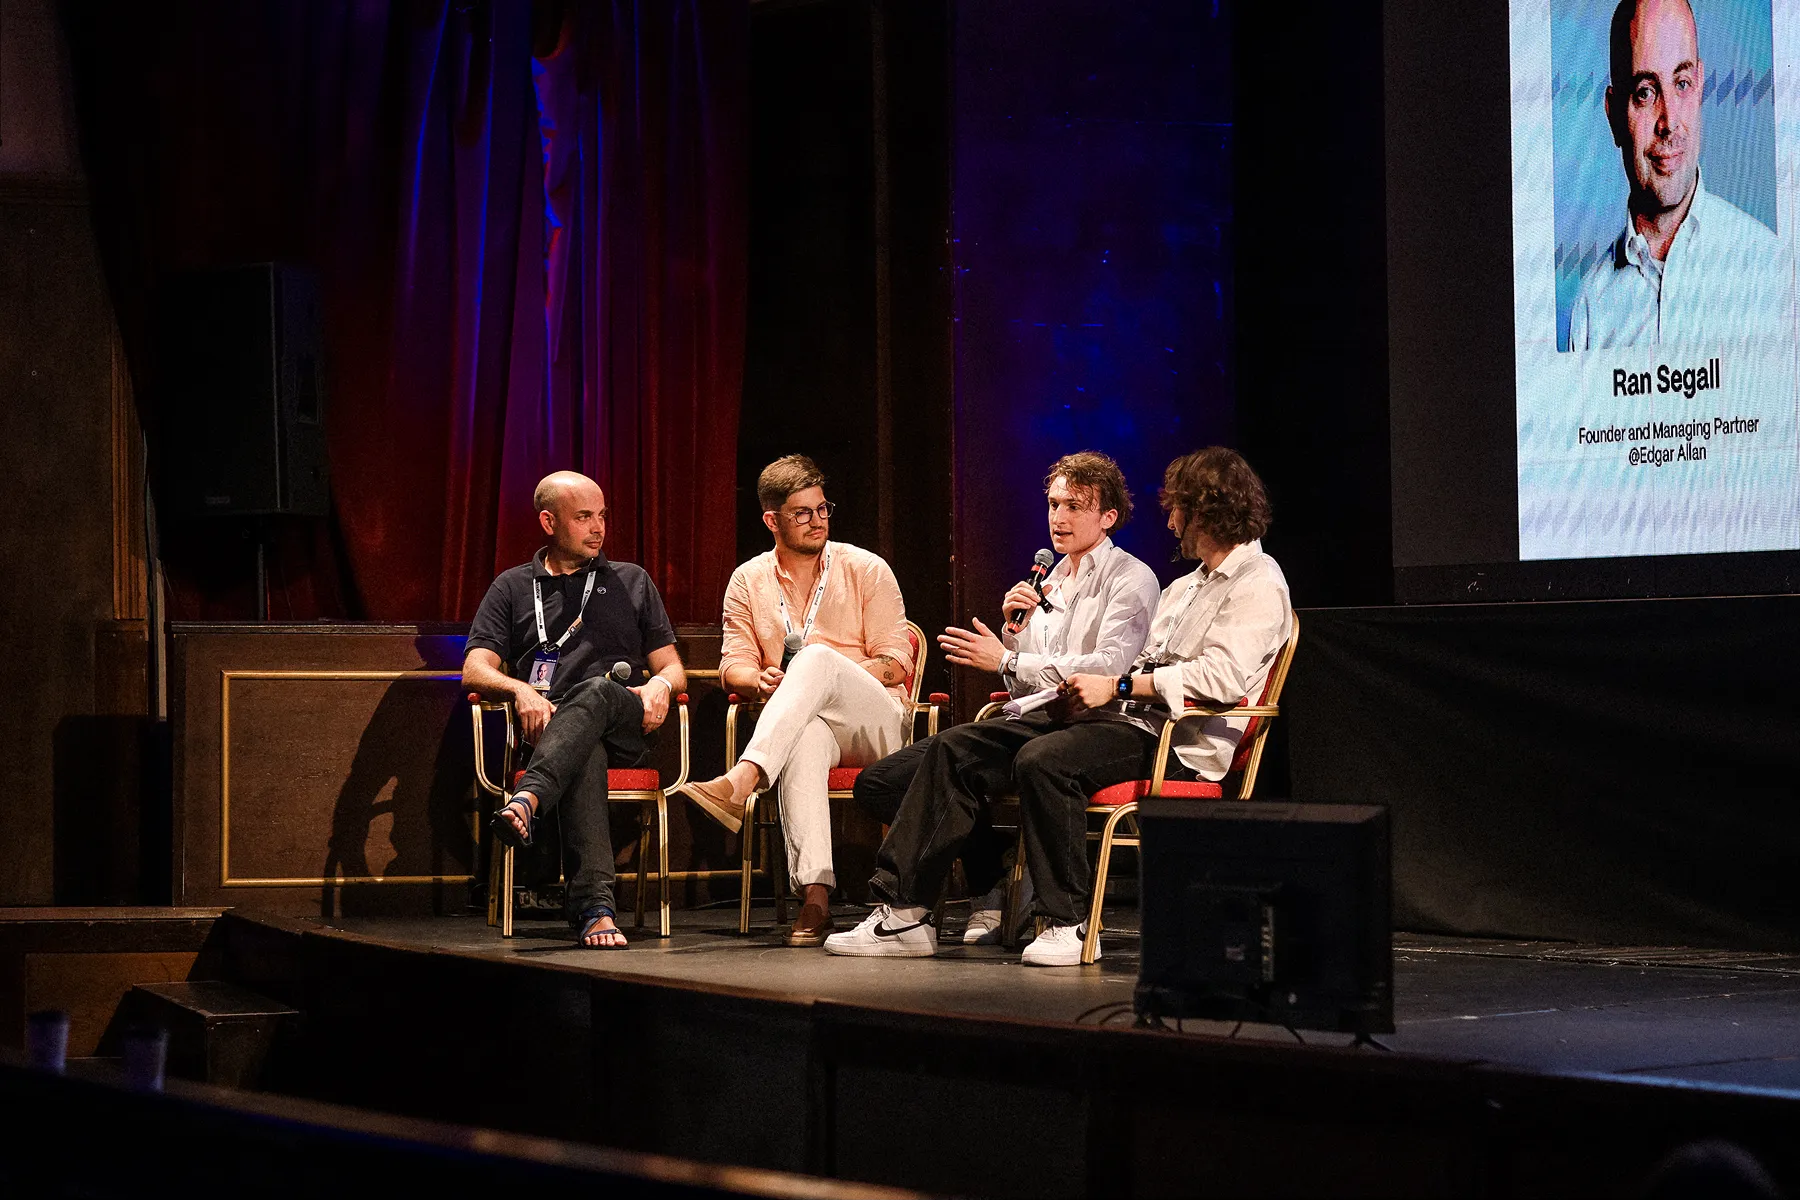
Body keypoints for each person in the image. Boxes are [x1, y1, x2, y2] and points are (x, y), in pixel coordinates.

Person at [827, 447, 1292, 966]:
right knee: (955, 749)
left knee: (1045, 760)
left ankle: (1064, 922)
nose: (1170, 520)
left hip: (1176, 741)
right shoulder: (1187, 586)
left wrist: (1112, 687)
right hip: (1116, 720)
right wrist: (1037, 664)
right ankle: (907, 914)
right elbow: (1141, 664)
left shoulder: (1259, 581)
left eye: (1178, 508)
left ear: (1207, 509)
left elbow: (1222, 678)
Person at [847, 451, 1160, 946]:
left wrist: (1007, 660)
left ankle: (908, 913)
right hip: (1043, 719)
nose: (1059, 517)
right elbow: (1028, 688)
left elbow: (1107, 670)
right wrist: (1017, 638)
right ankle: (990, 887)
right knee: (883, 782)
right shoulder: (1049, 580)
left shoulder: (1131, 579)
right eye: (1054, 504)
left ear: (1108, 517)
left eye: (1075, 506)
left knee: (988, 759)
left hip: (1101, 724)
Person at [676, 455, 914, 947]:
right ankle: (815, 898)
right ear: (772, 520)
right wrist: (758, 679)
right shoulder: (748, 579)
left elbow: (897, 662)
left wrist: (827, 674)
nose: (818, 520)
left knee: (816, 659)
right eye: (803, 513)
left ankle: (743, 779)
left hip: (876, 721)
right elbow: (732, 666)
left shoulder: (865, 568)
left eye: (823, 508)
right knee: (803, 735)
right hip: (802, 722)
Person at [463, 471, 686, 949]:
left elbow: (672, 667)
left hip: (627, 723)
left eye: (602, 515)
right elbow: (475, 669)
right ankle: (595, 910)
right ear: (549, 521)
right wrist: (520, 690)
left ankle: (529, 800)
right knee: (584, 750)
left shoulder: (630, 580)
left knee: (595, 692)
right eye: (584, 516)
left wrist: (663, 685)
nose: (598, 527)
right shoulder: (512, 586)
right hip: (555, 730)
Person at [1567, 0, 1787, 349]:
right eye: (1645, 92)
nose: (1669, 122)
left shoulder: (1769, 266)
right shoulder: (1591, 307)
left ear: (1700, 87)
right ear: (1613, 116)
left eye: (1681, 84)